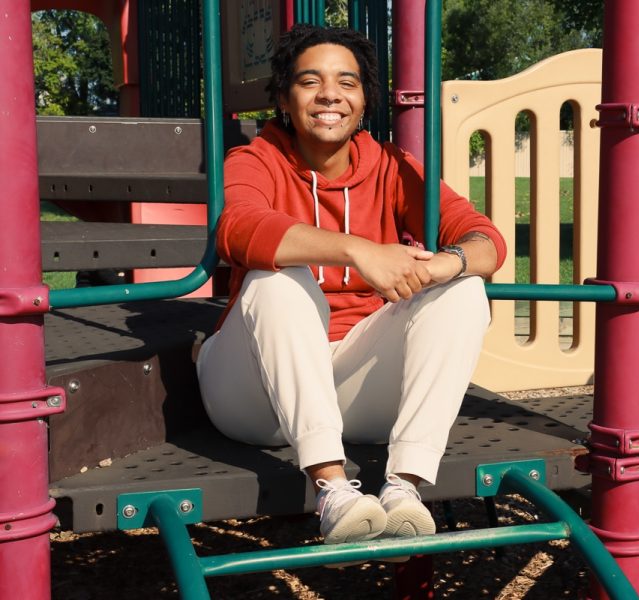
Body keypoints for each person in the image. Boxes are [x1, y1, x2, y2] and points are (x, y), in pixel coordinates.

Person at [196, 24, 506, 549]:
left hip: (352, 389)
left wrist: (441, 266)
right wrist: (358, 250)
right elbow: (238, 229)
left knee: (464, 289)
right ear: (283, 98)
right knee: (278, 281)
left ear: (364, 100)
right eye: (309, 81)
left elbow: (486, 240)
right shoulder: (256, 159)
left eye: (347, 82)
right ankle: (333, 491)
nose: (329, 95)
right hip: (253, 397)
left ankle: (404, 487)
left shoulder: (391, 166)